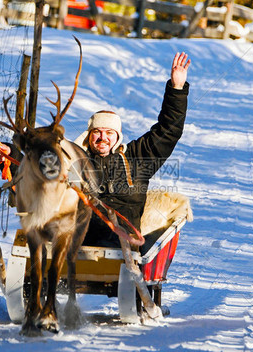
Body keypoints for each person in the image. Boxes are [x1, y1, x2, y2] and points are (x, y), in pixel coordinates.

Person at [76, 52, 191, 247]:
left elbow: (168, 130)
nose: (103, 138)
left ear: (118, 136)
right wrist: (10, 154)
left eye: (109, 133)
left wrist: (177, 89)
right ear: (89, 135)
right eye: (97, 132)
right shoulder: (76, 159)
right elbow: (39, 170)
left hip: (123, 243)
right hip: (80, 239)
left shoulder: (137, 157)